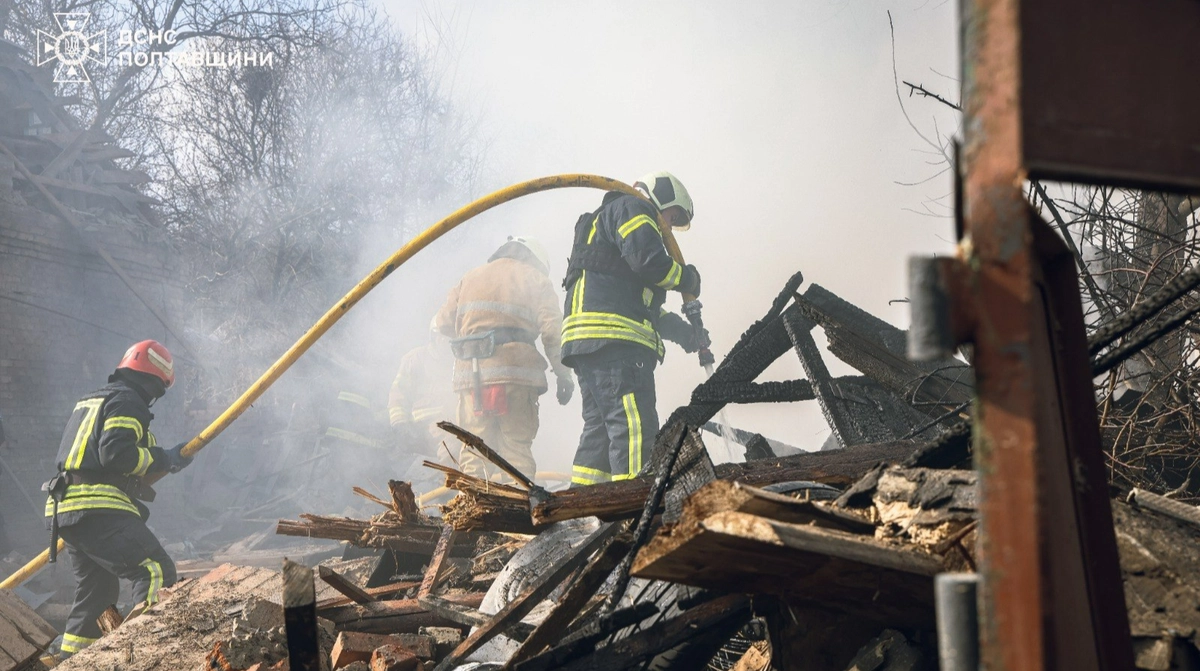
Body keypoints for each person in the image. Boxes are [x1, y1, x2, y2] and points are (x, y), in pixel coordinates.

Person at [43, 341, 192, 657]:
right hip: (97, 506)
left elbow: (109, 455)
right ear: (153, 384)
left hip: (67, 508)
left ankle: (72, 661)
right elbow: (117, 455)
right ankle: (150, 656)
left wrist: (167, 459)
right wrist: (164, 457)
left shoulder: (93, 402)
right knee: (154, 569)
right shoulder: (129, 402)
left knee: (97, 593)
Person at [561, 171, 709, 486]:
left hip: (591, 344)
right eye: (673, 215)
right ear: (662, 197)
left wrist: (686, 335)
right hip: (616, 346)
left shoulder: (609, 221)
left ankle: (581, 514)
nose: (668, 225)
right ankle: (634, 511)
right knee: (634, 428)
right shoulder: (632, 207)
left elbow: (644, 310)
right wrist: (688, 278)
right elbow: (650, 263)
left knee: (600, 432)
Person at [435, 236, 574, 482]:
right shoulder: (535, 278)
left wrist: (475, 331)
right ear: (535, 260)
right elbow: (553, 331)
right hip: (516, 376)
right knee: (516, 451)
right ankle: (517, 512)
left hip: (473, 379)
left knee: (475, 451)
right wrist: (563, 374)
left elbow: (444, 323)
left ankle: (475, 512)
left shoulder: (469, 277)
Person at [387, 318, 457, 464]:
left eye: (451, 337)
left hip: (454, 424)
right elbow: (397, 395)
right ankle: (449, 482)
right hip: (427, 427)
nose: (446, 342)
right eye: (443, 337)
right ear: (433, 336)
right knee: (452, 448)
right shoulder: (415, 359)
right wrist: (400, 425)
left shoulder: (458, 360)